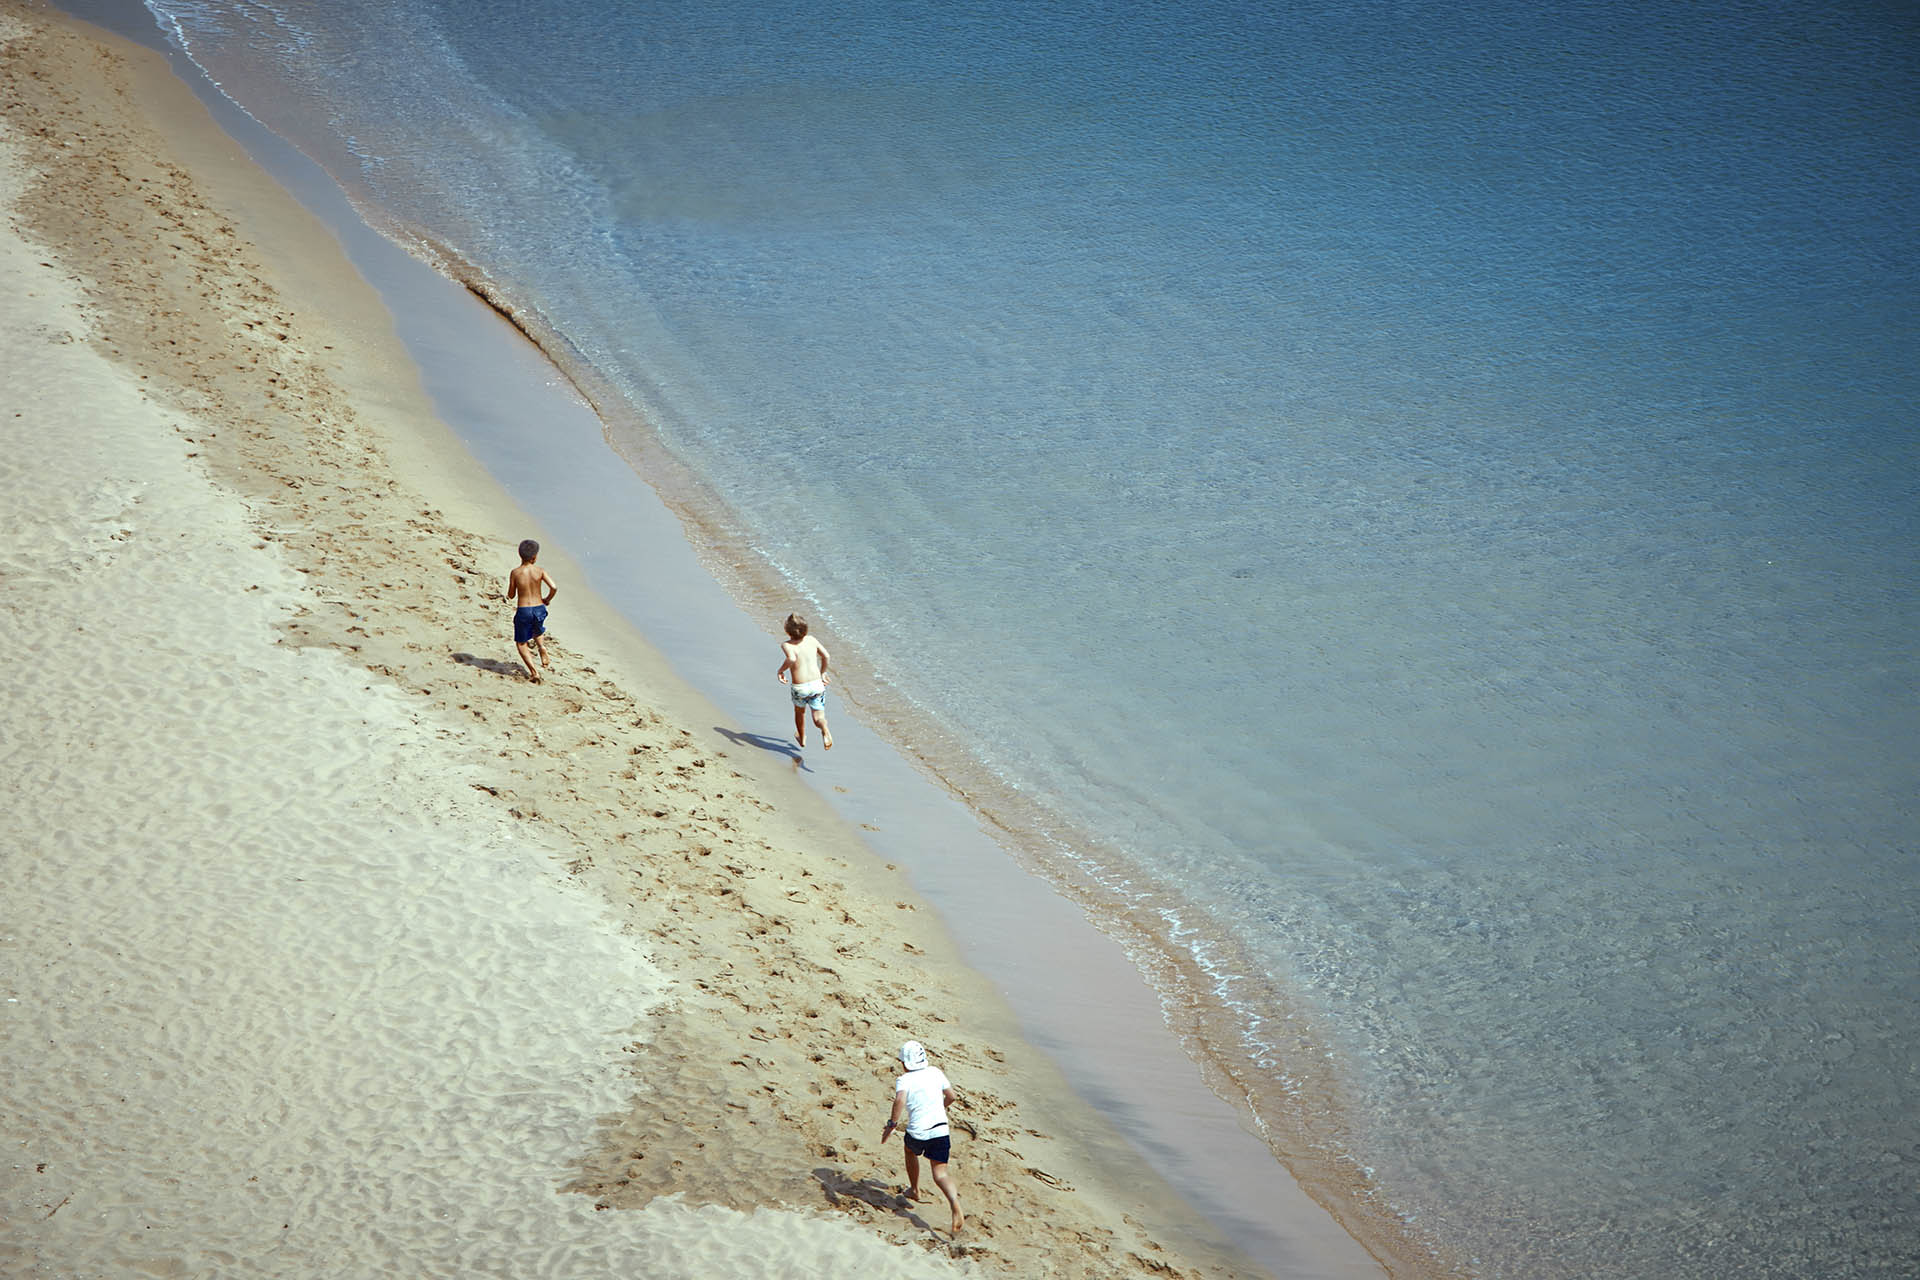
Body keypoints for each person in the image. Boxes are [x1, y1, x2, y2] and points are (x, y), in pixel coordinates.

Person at [880, 1039, 963, 1236]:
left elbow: (900, 1100)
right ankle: (954, 1203)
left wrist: (892, 1124)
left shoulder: (904, 1080)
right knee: (940, 1174)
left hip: (919, 1130)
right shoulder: (935, 1072)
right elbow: (952, 1096)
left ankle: (915, 1189)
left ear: (904, 1063)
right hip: (940, 1129)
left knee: (910, 1151)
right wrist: (939, 1108)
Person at [774, 612, 833, 749]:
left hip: (800, 687)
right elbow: (826, 656)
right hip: (817, 685)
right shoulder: (812, 640)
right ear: (806, 629)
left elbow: (792, 659)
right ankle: (824, 729)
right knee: (818, 716)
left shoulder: (787, 645)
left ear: (787, 631)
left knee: (800, 712)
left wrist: (781, 670)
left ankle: (802, 738)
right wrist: (823, 672)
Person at [504, 538, 558, 682]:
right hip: (539, 607)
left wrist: (511, 591)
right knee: (537, 630)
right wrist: (547, 599)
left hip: (524, 610)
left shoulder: (515, 572)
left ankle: (534, 672)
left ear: (520, 555)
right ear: (534, 557)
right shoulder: (540, 571)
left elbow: (511, 595)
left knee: (521, 642)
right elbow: (554, 587)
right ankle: (541, 647)